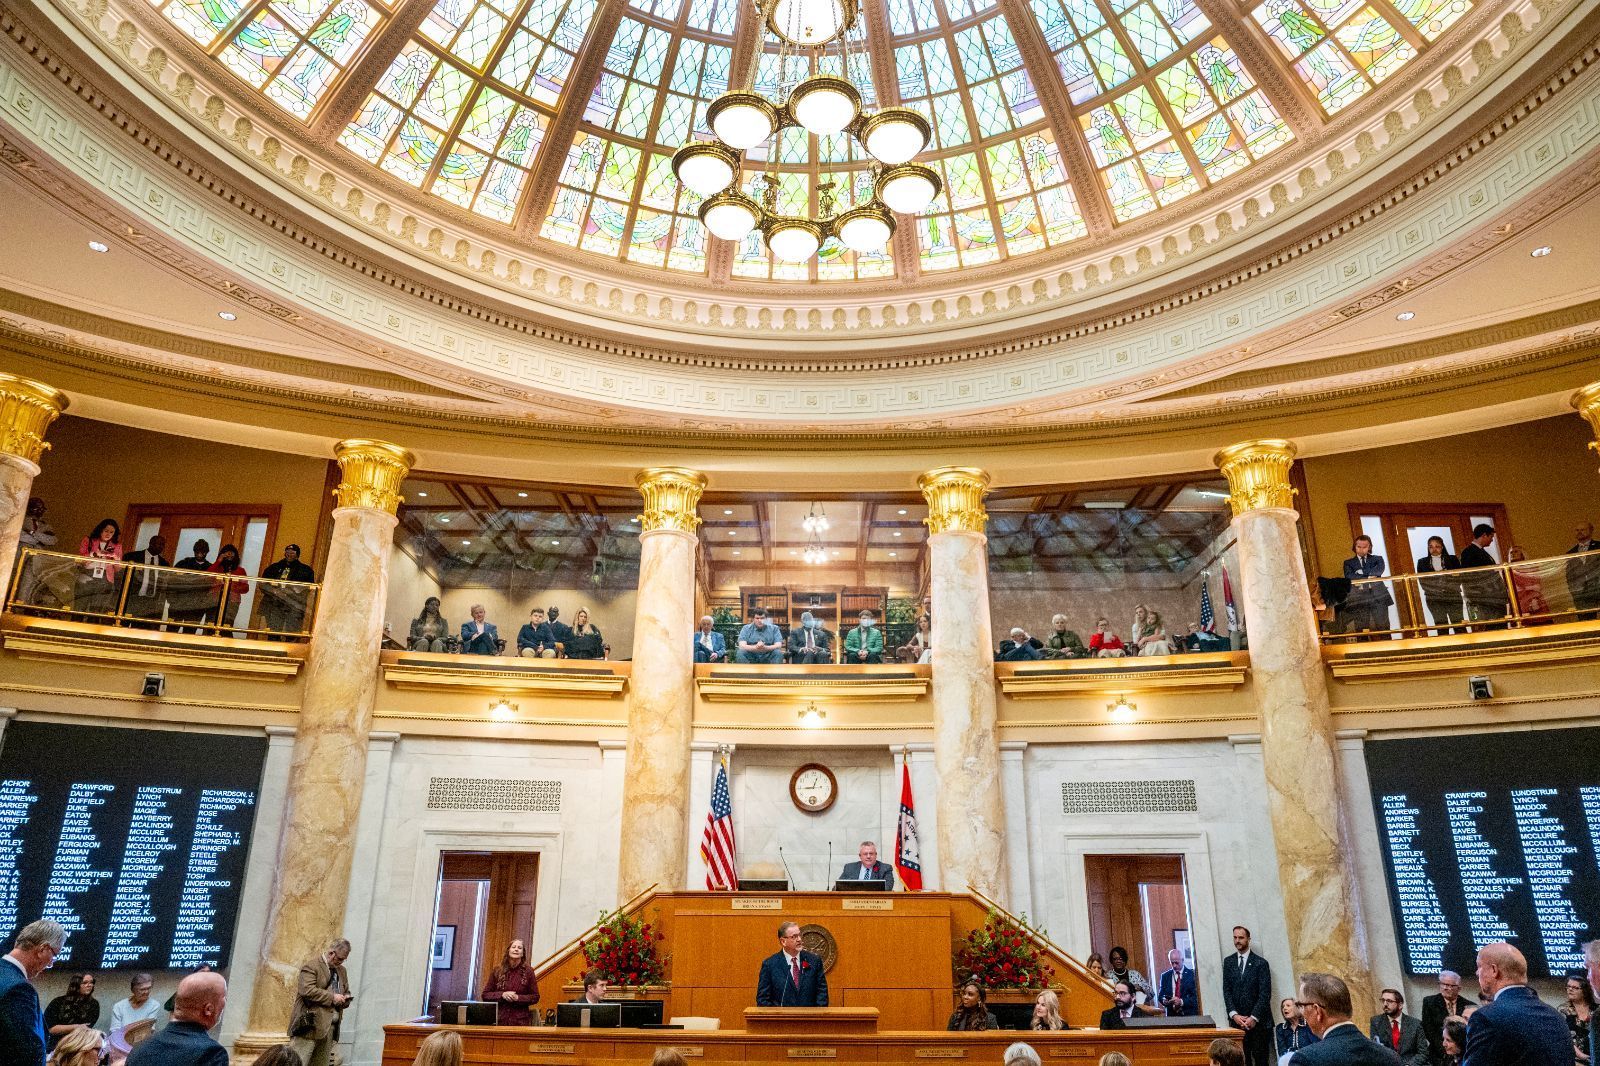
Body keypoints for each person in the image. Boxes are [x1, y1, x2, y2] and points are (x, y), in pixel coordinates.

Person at [1463, 941, 1575, 1065]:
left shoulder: (1485, 1018)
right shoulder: (1555, 1015)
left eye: (1479, 967)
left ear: (1494, 970)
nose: (1477, 973)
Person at [1289, 972, 1400, 1065]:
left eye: (1301, 1005)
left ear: (1317, 1011)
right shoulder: (1390, 1057)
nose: (1301, 1013)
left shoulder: (1305, 1060)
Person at [126, 971, 227, 1066]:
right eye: (224, 997)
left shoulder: (138, 1049)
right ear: (208, 1009)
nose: (225, 1002)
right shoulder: (211, 1053)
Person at [1, 919, 63, 1066]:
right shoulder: (19, 988)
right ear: (43, 949)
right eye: (54, 955)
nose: (51, 963)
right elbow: (28, 1051)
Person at [288, 938, 352, 1066]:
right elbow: (307, 990)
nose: (341, 962)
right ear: (331, 953)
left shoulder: (342, 971)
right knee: (298, 1062)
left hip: (330, 1029)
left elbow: (346, 990)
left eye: (344, 960)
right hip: (310, 1026)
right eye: (339, 959)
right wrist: (333, 998)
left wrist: (346, 998)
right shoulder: (311, 966)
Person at [1221, 926, 1272, 1066]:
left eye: (1241, 938)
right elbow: (1226, 991)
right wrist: (1234, 1015)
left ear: (1248, 939)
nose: (1237, 941)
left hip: (1259, 1024)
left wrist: (1254, 1017)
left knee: (1261, 1061)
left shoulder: (1261, 963)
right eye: (1235, 937)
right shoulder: (1228, 962)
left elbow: (1265, 994)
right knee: (1241, 1062)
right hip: (1237, 1023)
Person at [755, 921, 827, 1007]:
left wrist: (817, 1014)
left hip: (810, 1015)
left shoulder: (814, 961)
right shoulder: (770, 965)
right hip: (781, 1015)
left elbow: (822, 995)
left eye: (799, 935)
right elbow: (763, 1000)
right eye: (794, 937)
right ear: (783, 941)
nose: (799, 939)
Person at [260, 544, 315, 639]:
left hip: (294, 605)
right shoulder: (274, 567)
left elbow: (308, 588)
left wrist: (292, 592)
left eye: (292, 553)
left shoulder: (306, 570)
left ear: (297, 555)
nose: (289, 554)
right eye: (288, 552)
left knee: (292, 634)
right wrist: (274, 591)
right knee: (273, 632)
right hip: (274, 603)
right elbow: (263, 584)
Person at [1343, 535, 1393, 638]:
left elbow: (1378, 571)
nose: (1361, 549)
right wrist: (1368, 576)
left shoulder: (1377, 559)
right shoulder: (1348, 563)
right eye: (1359, 547)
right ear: (1354, 547)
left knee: (1384, 627)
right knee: (1361, 629)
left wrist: (1360, 573)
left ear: (1369, 547)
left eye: (1364, 547)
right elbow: (1350, 577)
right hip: (1359, 598)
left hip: (1378, 596)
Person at [1459, 525, 1508, 629]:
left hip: (1492, 597)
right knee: (1491, 628)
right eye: (1491, 537)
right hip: (1483, 598)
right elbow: (1469, 577)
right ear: (1484, 535)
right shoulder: (1468, 552)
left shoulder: (1481, 551)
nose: (1492, 540)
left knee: (1499, 626)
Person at [1422, 970, 1475, 1066]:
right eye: (1445, 984)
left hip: (1462, 1052)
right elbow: (1429, 1030)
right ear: (1439, 985)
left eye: (1452, 986)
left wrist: (1458, 1049)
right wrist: (1445, 1049)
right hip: (1438, 1053)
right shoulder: (1429, 1002)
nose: (1447, 988)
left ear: (1459, 988)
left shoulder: (1468, 1005)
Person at [481, 939, 537, 1026]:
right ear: (508, 951)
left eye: (519, 948)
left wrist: (518, 998)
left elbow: (535, 997)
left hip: (520, 1022)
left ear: (523, 953)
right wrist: (502, 995)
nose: (516, 949)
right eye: (513, 947)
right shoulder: (497, 970)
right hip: (499, 1020)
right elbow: (485, 995)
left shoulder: (529, 971)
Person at [74, 519, 123, 617]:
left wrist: (116, 559)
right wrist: (95, 554)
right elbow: (80, 560)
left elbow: (118, 569)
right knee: (79, 608)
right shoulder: (89, 540)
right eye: (106, 531)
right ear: (100, 530)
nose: (108, 534)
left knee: (97, 612)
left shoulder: (117, 546)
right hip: (87, 574)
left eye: (111, 532)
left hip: (105, 578)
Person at [1416, 536, 1465, 634]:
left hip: (1453, 595)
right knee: (1441, 626)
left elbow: (1459, 577)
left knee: (1458, 625)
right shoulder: (1422, 562)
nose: (1434, 549)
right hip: (1434, 598)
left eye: (1437, 546)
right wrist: (1440, 586)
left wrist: (1442, 584)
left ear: (1442, 547)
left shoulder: (1452, 559)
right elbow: (1423, 582)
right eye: (1431, 547)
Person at [1371, 988, 1430, 1066]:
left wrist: (1409, 1065)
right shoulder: (1376, 1022)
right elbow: (1375, 1050)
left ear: (1400, 1005)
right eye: (1383, 1000)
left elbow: (1423, 1053)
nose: (1385, 1004)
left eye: (1389, 1001)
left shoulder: (1415, 1024)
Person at [121, 536, 170, 627]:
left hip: (150, 602)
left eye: (163, 545)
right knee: (123, 626)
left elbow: (163, 582)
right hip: (131, 599)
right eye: (159, 544)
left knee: (141, 629)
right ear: (151, 543)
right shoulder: (132, 557)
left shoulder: (164, 563)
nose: (161, 547)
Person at [43, 972, 98, 1051]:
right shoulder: (57, 1002)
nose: (89, 985)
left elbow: (86, 1027)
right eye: (85, 983)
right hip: (55, 1046)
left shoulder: (93, 1004)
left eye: (91, 982)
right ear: (76, 985)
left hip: (78, 1046)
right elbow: (50, 1029)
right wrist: (76, 1027)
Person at [168, 540, 214, 632]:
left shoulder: (210, 568)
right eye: (197, 550)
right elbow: (171, 581)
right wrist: (171, 599)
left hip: (197, 607)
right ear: (194, 551)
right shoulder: (183, 563)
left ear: (206, 552)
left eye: (203, 551)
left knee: (189, 633)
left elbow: (211, 589)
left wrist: (204, 604)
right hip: (178, 604)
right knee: (171, 631)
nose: (200, 553)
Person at [206, 544, 247, 635]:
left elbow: (245, 588)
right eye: (226, 553)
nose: (229, 555)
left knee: (226, 627)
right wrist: (218, 561)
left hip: (232, 602)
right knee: (210, 626)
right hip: (213, 600)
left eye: (232, 553)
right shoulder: (217, 567)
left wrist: (232, 587)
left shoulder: (240, 570)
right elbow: (207, 577)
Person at [1505, 547, 1549, 624]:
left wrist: (1529, 590)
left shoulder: (1532, 567)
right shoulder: (1508, 570)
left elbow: (1537, 586)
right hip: (1518, 600)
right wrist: (1528, 588)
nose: (1513, 554)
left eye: (1516, 552)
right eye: (1511, 553)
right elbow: (1512, 589)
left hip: (1535, 598)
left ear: (1522, 554)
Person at [1566, 522, 1600, 619]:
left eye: (1583, 529)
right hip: (1581, 594)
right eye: (1577, 530)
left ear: (1591, 531)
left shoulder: (1598, 547)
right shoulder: (1571, 552)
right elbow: (1569, 575)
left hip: (1598, 587)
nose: (1579, 532)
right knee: (1586, 620)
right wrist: (1574, 591)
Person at [109, 974, 158, 1039]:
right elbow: (114, 1031)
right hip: (120, 1041)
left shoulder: (154, 1005)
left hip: (143, 1041)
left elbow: (149, 1030)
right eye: (142, 989)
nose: (146, 992)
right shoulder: (119, 1006)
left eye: (149, 988)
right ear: (133, 990)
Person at [1559, 974, 1595, 1064]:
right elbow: (1563, 1037)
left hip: (1595, 1056)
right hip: (1573, 1059)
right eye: (1568, 986)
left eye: (1575, 987)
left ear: (1584, 991)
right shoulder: (1562, 1010)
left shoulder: (1596, 1010)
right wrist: (1581, 1055)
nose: (1570, 989)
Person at [1158, 947, 1198, 1017]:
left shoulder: (1192, 975)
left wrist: (1181, 1002)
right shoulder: (1165, 976)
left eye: (1176, 963)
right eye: (1172, 963)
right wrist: (1164, 1000)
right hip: (1171, 1016)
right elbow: (1161, 995)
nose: (1174, 966)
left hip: (1189, 1015)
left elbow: (1196, 998)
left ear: (1182, 960)